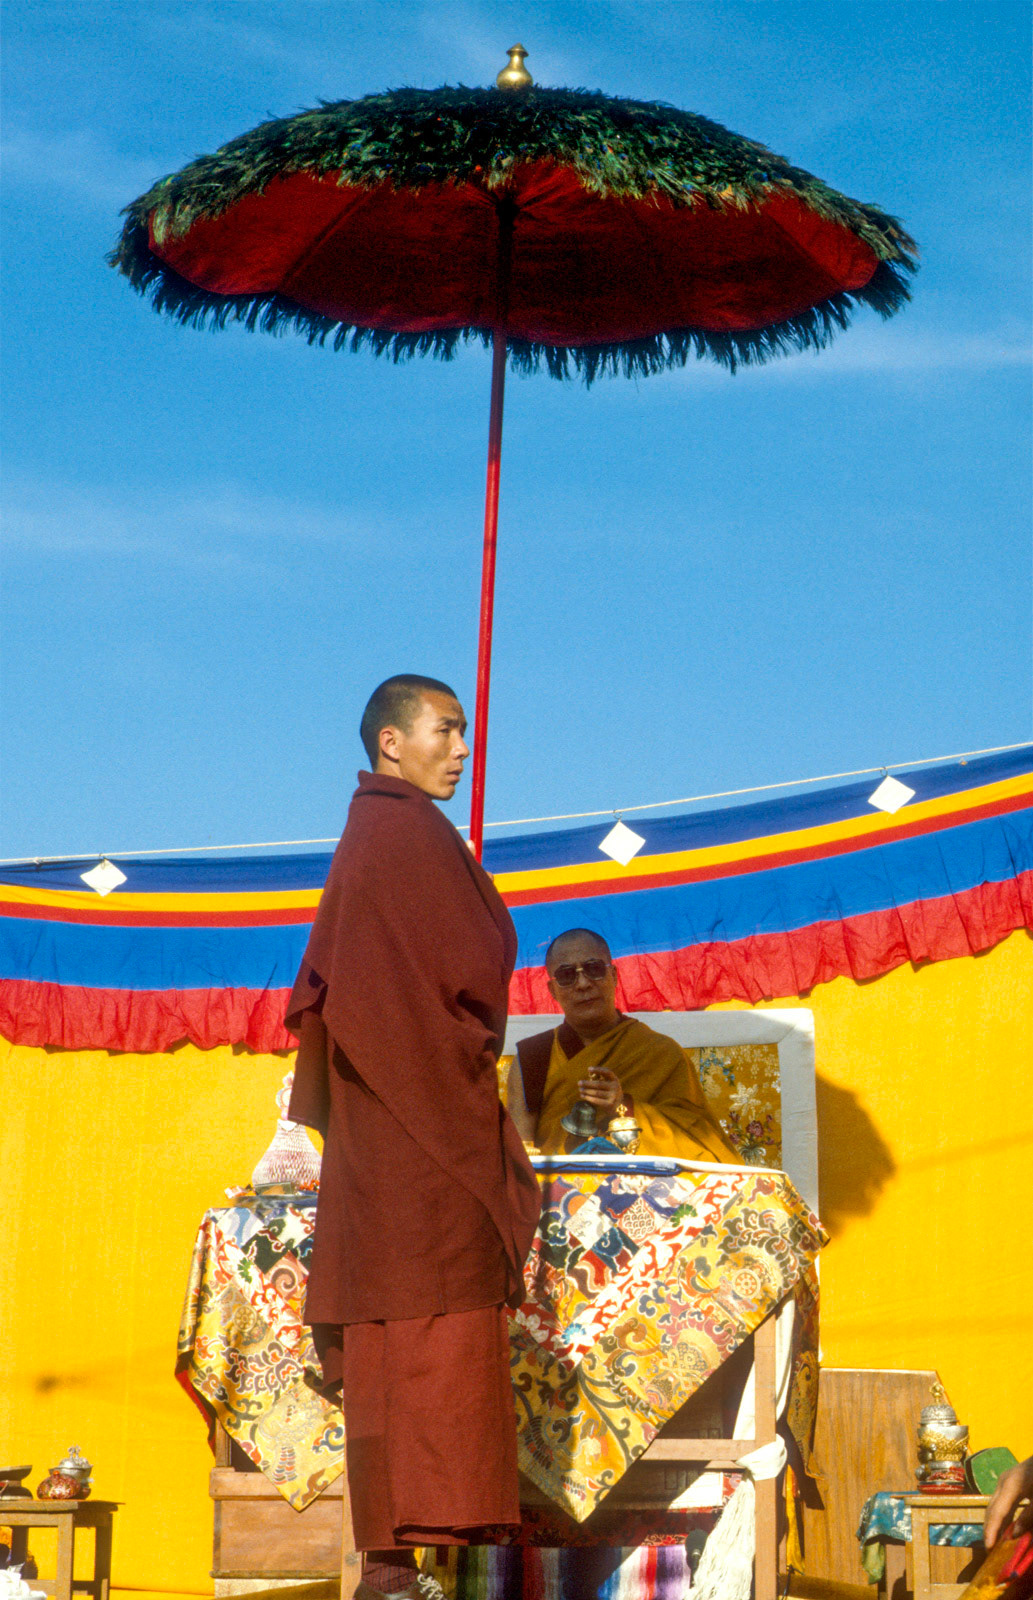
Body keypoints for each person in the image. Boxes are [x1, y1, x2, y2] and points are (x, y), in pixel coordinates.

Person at [285, 674, 541, 1600]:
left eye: (464, 731)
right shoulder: (401, 834)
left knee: (402, 1330)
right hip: (418, 1117)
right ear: (392, 743)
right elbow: (469, 964)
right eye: (447, 729)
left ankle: (393, 1567)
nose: (462, 749)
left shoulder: (381, 833)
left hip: (389, 1119)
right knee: (424, 1319)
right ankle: (394, 1566)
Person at [507, 927, 739, 1161]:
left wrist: (622, 1107)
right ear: (552, 990)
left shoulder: (660, 1052)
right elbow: (521, 1157)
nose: (583, 984)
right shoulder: (533, 1058)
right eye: (567, 976)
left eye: (594, 969)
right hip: (561, 1193)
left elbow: (702, 1142)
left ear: (614, 976)